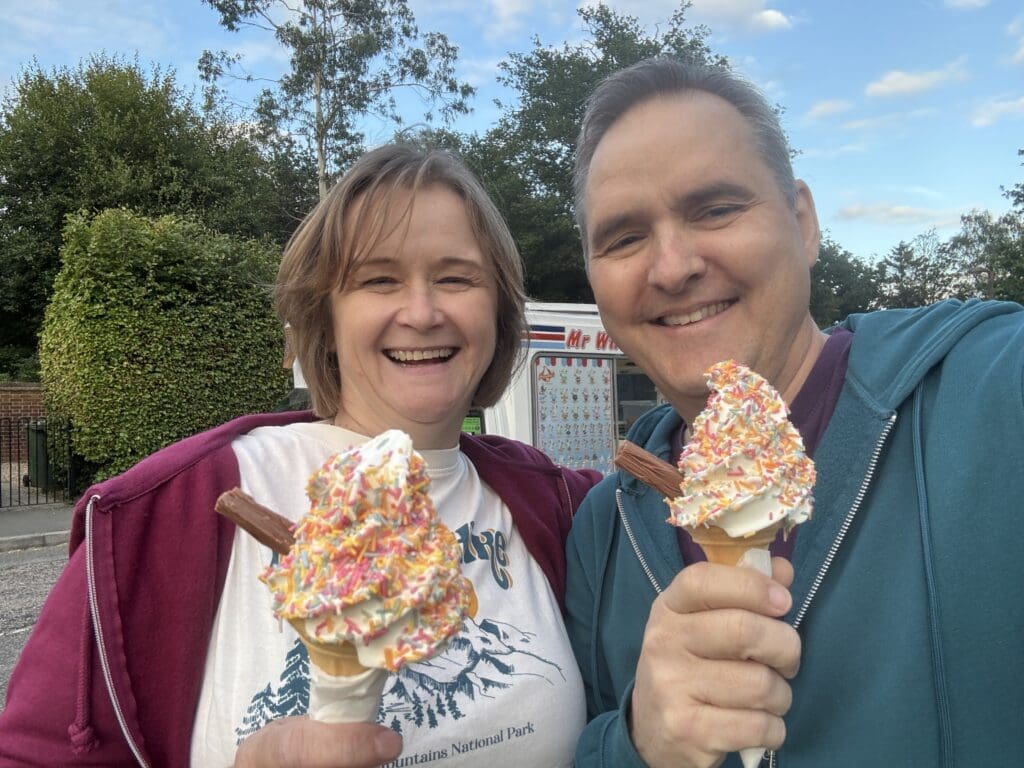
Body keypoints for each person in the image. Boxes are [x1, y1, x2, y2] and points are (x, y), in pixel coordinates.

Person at [0, 144, 601, 767]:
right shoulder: (172, 509)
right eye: (378, 279)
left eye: (455, 277)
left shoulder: (559, 506)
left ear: (498, 311)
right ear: (325, 315)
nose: (423, 312)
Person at [564, 56, 1024, 768]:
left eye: (715, 209)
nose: (672, 265)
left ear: (804, 224)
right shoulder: (604, 527)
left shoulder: (991, 386)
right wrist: (636, 745)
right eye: (623, 238)